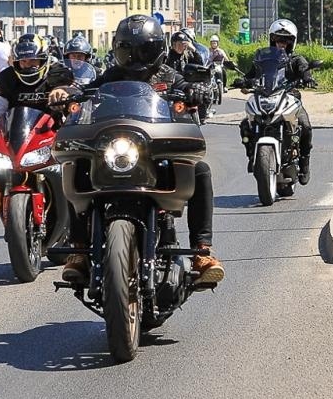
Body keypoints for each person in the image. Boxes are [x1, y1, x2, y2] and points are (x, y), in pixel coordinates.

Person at [55, 15, 225, 288]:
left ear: (156, 49)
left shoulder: (170, 76)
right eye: (128, 49)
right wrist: (67, 94)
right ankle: (79, 250)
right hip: (116, 153)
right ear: (118, 50)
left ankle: (201, 252)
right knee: (76, 168)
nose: (134, 57)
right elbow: (86, 93)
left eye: (142, 49)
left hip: (156, 154)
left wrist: (198, 90)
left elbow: (188, 88)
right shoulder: (110, 76)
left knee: (200, 171)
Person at [239, 19, 316, 184]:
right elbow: (252, 74)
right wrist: (243, 80)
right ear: (272, 39)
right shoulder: (263, 58)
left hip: (290, 97)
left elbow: (303, 69)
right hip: (266, 96)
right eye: (278, 38)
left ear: (292, 41)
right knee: (246, 125)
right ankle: (252, 154)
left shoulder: (296, 59)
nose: (281, 43)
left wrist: (307, 77)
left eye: (286, 39)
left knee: (305, 125)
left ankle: (304, 162)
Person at [0, 33, 76, 128]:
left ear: (43, 59)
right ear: (16, 62)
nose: (28, 65)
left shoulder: (59, 73)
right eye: (23, 61)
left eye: (33, 60)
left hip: (51, 133)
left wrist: (63, 91)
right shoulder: (6, 77)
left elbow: (75, 97)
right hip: (15, 134)